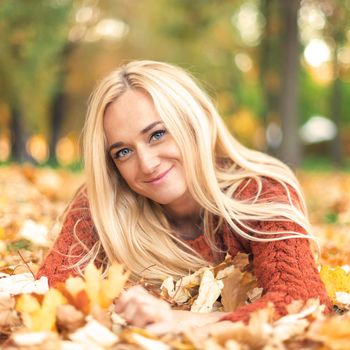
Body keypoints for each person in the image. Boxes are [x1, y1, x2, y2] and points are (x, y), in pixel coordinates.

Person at [37, 60, 331, 333]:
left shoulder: (259, 192)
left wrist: (182, 321)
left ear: (194, 122)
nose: (148, 164)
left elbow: (302, 304)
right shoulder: (104, 201)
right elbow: (51, 293)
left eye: (157, 134)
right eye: (123, 152)